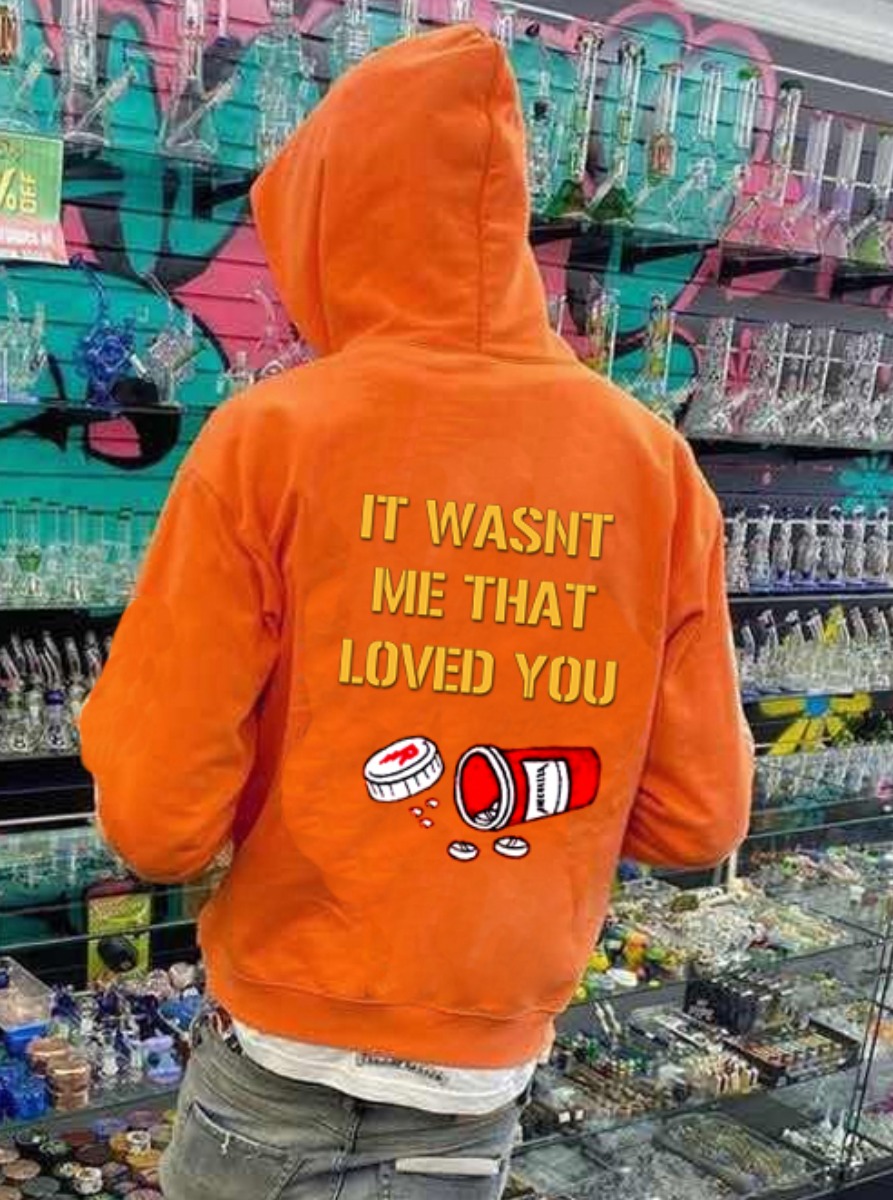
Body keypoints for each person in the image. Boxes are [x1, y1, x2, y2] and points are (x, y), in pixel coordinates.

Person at [81, 24, 753, 1200]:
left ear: (330, 223)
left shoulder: (272, 440)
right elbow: (698, 821)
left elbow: (156, 819)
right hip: (478, 1081)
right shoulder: (653, 467)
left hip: (277, 1056)